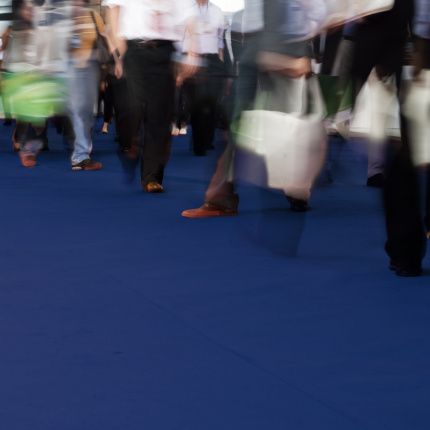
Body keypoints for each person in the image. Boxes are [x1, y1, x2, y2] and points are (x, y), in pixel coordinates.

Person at [103, 0, 199, 193]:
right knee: (130, 109)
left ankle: (152, 177)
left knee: (159, 115)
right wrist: (121, 51)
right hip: (134, 49)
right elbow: (113, 10)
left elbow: (190, 15)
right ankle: (129, 148)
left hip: (165, 52)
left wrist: (192, 51)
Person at [181, 0, 226, 156]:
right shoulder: (185, 7)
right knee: (196, 103)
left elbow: (219, 39)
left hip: (213, 60)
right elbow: (179, 37)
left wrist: (221, 60)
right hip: (193, 59)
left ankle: (207, 140)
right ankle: (199, 144)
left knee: (212, 102)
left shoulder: (217, 10)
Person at [68, 0, 105, 170]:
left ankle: (81, 152)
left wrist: (116, 62)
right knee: (78, 112)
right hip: (69, 68)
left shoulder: (93, 16)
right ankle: (80, 156)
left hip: (91, 68)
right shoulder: (62, 18)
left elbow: (105, 38)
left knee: (86, 113)